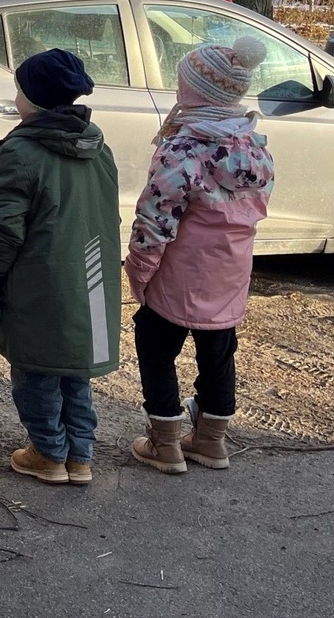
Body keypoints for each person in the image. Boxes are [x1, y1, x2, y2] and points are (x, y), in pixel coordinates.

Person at [0, 49, 121, 486]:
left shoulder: (22, 150)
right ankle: (80, 455)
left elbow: (3, 227)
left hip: (37, 279)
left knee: (35, 369)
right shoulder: (96, 144)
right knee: (74, 367)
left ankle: (48, 452)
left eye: (19, 90)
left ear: (31, 99)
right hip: (89, 276)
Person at [126, 37, 273, 474]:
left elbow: (155, 220)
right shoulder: (255, 148)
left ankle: (165, 442)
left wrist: (140, 271)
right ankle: (211, 441)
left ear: (194, 92)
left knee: (154, 347)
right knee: (219, 351)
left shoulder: (183, 149)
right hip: (231, 272)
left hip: (181, 274)